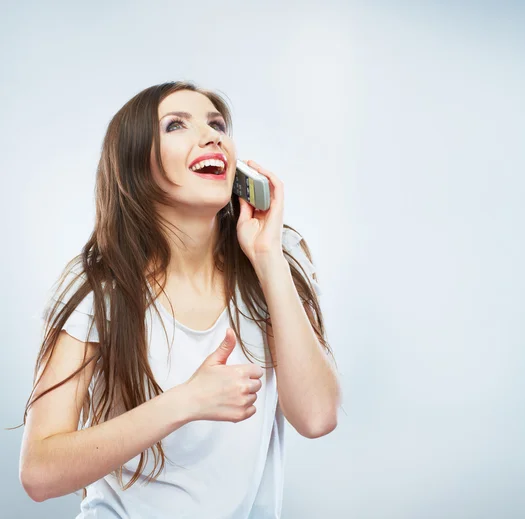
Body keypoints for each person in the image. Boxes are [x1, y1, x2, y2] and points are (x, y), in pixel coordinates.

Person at [18, 81, 341, 518]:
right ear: (137, 165)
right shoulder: (98, 284)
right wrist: (188, 401)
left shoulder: (277, 258)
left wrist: (267, 259)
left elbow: (317, 417)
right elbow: (39, 473)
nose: (211, 136)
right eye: (176, 126)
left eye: (217, 124)